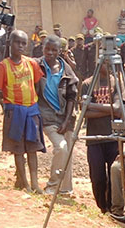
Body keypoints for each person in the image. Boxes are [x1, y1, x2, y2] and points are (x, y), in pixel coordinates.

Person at [0, 30, 46, 192]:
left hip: (31, 112)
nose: (21, 46)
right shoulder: (3, 66)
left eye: (24, 43)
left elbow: (37, 84)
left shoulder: (31, 63)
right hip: (14, 113)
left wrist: (31, 102)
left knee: (33, 148)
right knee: (18, 150)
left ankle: (35, 183)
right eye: (17, 42)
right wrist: (7, 106)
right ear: (10, 43)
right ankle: (25, 184)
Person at [37, 35, 79, 195]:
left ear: (59, 51)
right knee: (61, 148)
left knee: (67, 154)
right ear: (43, 48)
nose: (50, 52)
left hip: (66, 117)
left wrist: (67, 120)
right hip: (48, 116)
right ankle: (52, 186)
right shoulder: (37, 66)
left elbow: (71, 97)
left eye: (54, 50)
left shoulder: (66, 69)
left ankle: (65, 189)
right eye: (47, 49)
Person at [81, 65, 120, 215]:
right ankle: (102, 208)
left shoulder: (116, 83)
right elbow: (85, 113)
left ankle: (111, 208)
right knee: (97, 177)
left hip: (113, 137)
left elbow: (118, 107)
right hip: (94, 138)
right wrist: (108, 111)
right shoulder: (87, 84)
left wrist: (92, 106)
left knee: (113, 176)